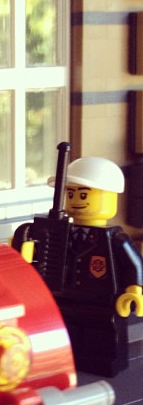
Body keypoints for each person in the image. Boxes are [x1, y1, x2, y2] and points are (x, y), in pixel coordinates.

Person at [14, 155, 142, 376]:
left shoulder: (114, 238)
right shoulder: (59, 234)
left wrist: (134, 290)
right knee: (66, 330)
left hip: (102, 301)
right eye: (70, 194)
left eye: (83, 194)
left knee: (102, 334)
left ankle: (101, 361)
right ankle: (66, 358)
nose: (76, 200)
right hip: (66, 297)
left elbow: (133, 264)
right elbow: (39, 255)